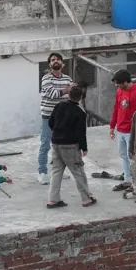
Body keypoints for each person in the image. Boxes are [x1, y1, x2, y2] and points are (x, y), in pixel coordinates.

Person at [47, 85, 96, 208]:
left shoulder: (59, 106)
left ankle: (53, 200)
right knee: (78, 171)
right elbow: (81, 132)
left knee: (56, 172)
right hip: (70, 146)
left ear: (68, 95)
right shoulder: (80, 112)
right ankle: (86, 199)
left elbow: (50, 122)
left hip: (56, 143)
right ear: (80, 97)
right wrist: (84, 147)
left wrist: (58, 133)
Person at [39, 52, 73, 184]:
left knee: (60, 145)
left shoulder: (67, 79)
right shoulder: (46, 78)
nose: (56, 61)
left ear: (62, 63)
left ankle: (58, 170)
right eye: (53, 60)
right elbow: (53, 94)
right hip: (48, 116)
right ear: (50, 64)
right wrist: (67, 90)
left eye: (58, 59)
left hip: (63, 118)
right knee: (45, 144)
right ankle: (42, 172)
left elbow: (71, 97)